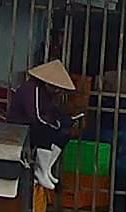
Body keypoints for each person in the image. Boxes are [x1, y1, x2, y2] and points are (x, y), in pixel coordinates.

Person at [7, 59, 77, 190]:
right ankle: (41, 171)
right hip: (20, 128)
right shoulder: (32, 89)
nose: (57, 91)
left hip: (32, 126)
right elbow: (36, 117)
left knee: (64, 134)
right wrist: (54, 126)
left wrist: (64, 120)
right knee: (47, 133)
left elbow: (52, 113)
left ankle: (47, 169)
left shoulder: (46, 93)